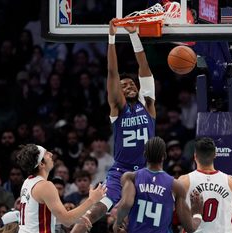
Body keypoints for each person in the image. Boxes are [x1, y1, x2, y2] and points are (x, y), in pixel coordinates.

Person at [71, 18, 156, 233]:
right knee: (94, 212)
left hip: (148, 172)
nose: (129, 86)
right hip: (121, 171)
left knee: (151, 219)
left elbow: (144, 67)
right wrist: (111, 38)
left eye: (131, 84)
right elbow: (112, 73)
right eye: (123, 85)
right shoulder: (117, 108)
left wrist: (133, 35)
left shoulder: (148, 104)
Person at [113, 137, 203, 233]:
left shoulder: (131, 177)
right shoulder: (176, 186)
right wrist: (197, 213)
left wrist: (117, 223)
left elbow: (126, 203)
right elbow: (190, 228)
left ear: (144, 155)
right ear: (164, 156)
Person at [15, 144, 107, 233]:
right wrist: (92, 199)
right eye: (46, 153)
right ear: (41, 164)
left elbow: (35, 218)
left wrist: (75, 218)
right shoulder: (45, 186)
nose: (51, 154)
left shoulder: (27, 182)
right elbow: (67, 221)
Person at [178, 137, 232, 232]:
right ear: (215, 155)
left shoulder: (184, 181)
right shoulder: (230, 181)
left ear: (195, 156)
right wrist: (229, 206)